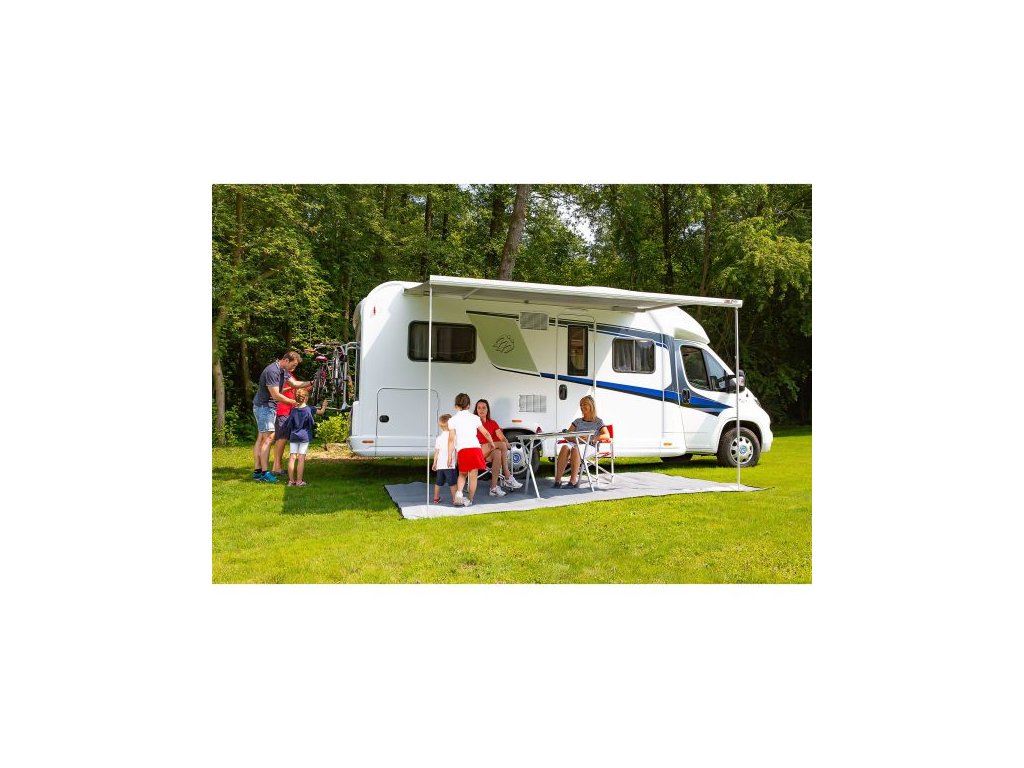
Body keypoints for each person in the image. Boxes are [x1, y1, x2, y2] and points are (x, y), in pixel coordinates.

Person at [251, 351, 310, 483]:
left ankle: (257, 472)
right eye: (293, 365)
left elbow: (294, 384)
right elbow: (276, 395)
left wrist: (311, 382)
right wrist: (294, 402)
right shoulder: (272, 371)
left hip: (268, 407)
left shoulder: (283, 370)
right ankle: (265, 473)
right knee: (268, 438)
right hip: (264, 407)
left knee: (262, 439)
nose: (293, 368)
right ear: (286, 360)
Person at [448, 392, 497, 507]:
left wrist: (450, 455)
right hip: (475, 449)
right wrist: (491, 443)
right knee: (473, 476)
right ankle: (469, 499)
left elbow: (451, 439)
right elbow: (485, 433)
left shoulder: (452, 420)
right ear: (469, 405)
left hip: (463, 450)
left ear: (456, 406)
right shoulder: (475, 418)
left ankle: (459, 493)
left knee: (462, 474)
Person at [553, 395, 610, 488]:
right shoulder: (577, 421)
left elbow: (606, 435)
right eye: (581, 405)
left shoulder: (598, 421)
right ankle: (557, 480)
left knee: (575, 449)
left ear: (591, 405)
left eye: (584, 404)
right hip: (576, 443)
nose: (582, 407)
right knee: (565, 447)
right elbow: (568, 435)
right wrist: (575, 438)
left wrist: (594, 438)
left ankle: (573, 481)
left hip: (590, 446)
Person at [282, 388, 330, 487]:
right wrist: (324, 405)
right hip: (304, 436)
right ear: (305, 398)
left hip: (293, 436)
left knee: (292, 457)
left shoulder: (293, 410)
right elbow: (321, 412)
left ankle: (291, 481)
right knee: (301, 457)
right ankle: (299, 481)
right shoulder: (310, 409)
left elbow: (289, 424)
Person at [474, 399, 524, 493]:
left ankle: (493, 488)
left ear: (487, 410)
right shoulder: (474, 422)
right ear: (476, 410)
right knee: (501, 444)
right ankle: (507, 476)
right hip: (477, 450)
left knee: (497, 453)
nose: (481, 410)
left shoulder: (492, 423)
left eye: (484, 408)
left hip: (488, 451)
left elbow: (501, 436)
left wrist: (506, 441)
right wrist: (505, 443)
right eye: (479, 408)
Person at [271, 379, 313, 476]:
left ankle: (279, 468)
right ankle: (277, 468)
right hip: (283, 410)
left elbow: (296, 388)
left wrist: (304, 388)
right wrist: (293, 387)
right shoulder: (283, 377)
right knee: (281, 439)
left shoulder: (290, 377)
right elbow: (277, 392)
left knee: (284, 442)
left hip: (289, 411)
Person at [431, 413, 458, 504]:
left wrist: (434, 463)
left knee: (438, 483)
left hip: (440, 465)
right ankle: (455, 499)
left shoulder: (439, 438)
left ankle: (436, 498)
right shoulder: (454, 437)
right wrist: (456, 461)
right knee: (453, 483)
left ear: (440, 426)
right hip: (450, 465)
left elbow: (437, 452)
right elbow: (456, 451)